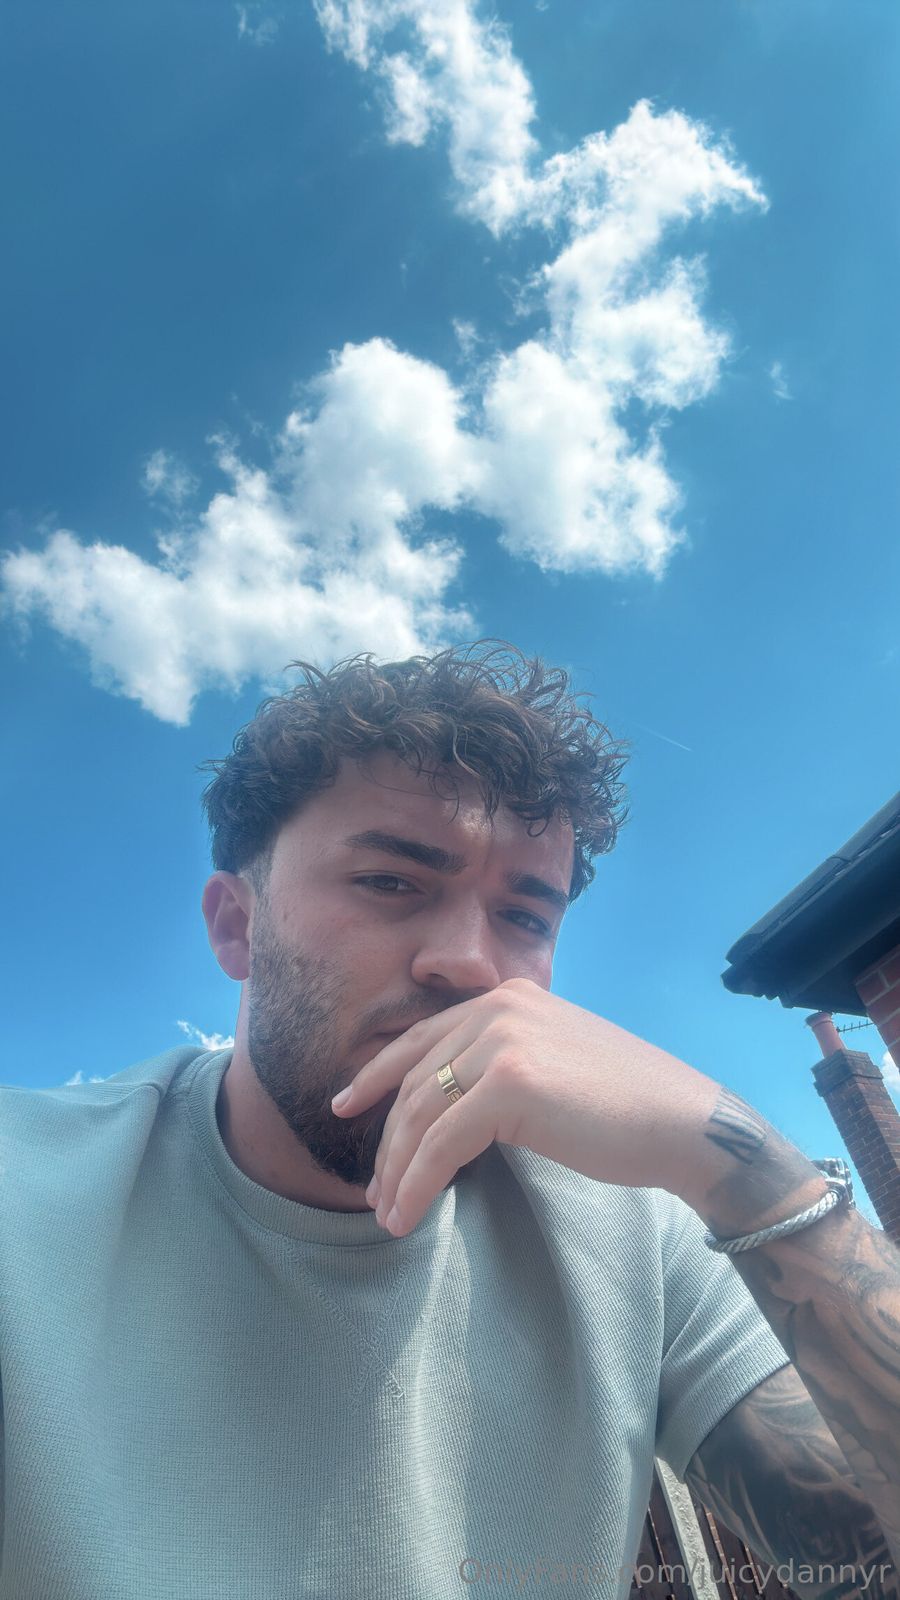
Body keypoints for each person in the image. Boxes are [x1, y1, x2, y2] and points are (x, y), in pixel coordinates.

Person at [2, 641, 898, 1600]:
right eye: (392, 882)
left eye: (526, 918)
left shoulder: (638, 1231)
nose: (469, 964)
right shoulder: (28, 1196)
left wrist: (746, 1166)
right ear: (236, 926)